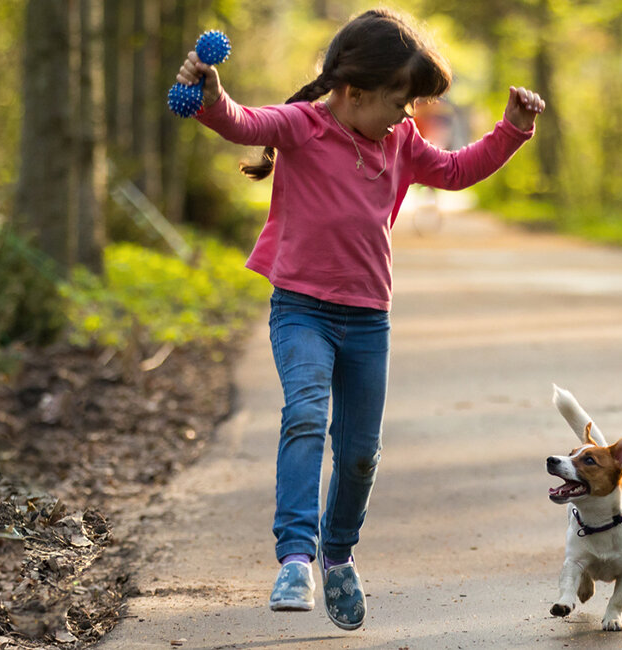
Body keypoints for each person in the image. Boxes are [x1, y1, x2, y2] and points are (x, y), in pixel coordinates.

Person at [175, 8, 544, 631]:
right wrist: (211, 97)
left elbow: (454, 172)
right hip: (302, 310)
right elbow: (243, 122)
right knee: (305, 417)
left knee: (360, 455)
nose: (406, 116)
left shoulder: (399, 141)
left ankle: (338, 554)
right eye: (400, 101)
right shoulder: (302, 126)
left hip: (369, 319)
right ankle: (296, 558)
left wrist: (510, 131)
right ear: (354, 92)